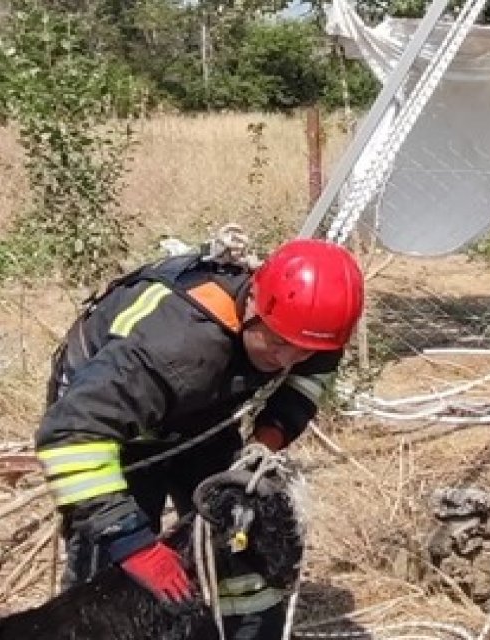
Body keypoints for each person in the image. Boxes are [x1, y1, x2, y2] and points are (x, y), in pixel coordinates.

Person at [34, 233, 364, 640]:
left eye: (302, 351)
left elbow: (310, 377)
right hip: (114, 430)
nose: (287, 360)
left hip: (203, 415)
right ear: (255, 305)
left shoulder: (311, 328)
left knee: (240, 545)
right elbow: (71, 435)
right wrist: (132, 542)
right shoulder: (173, 347)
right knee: (110, 577)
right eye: (278, 343)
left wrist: (268, 438)